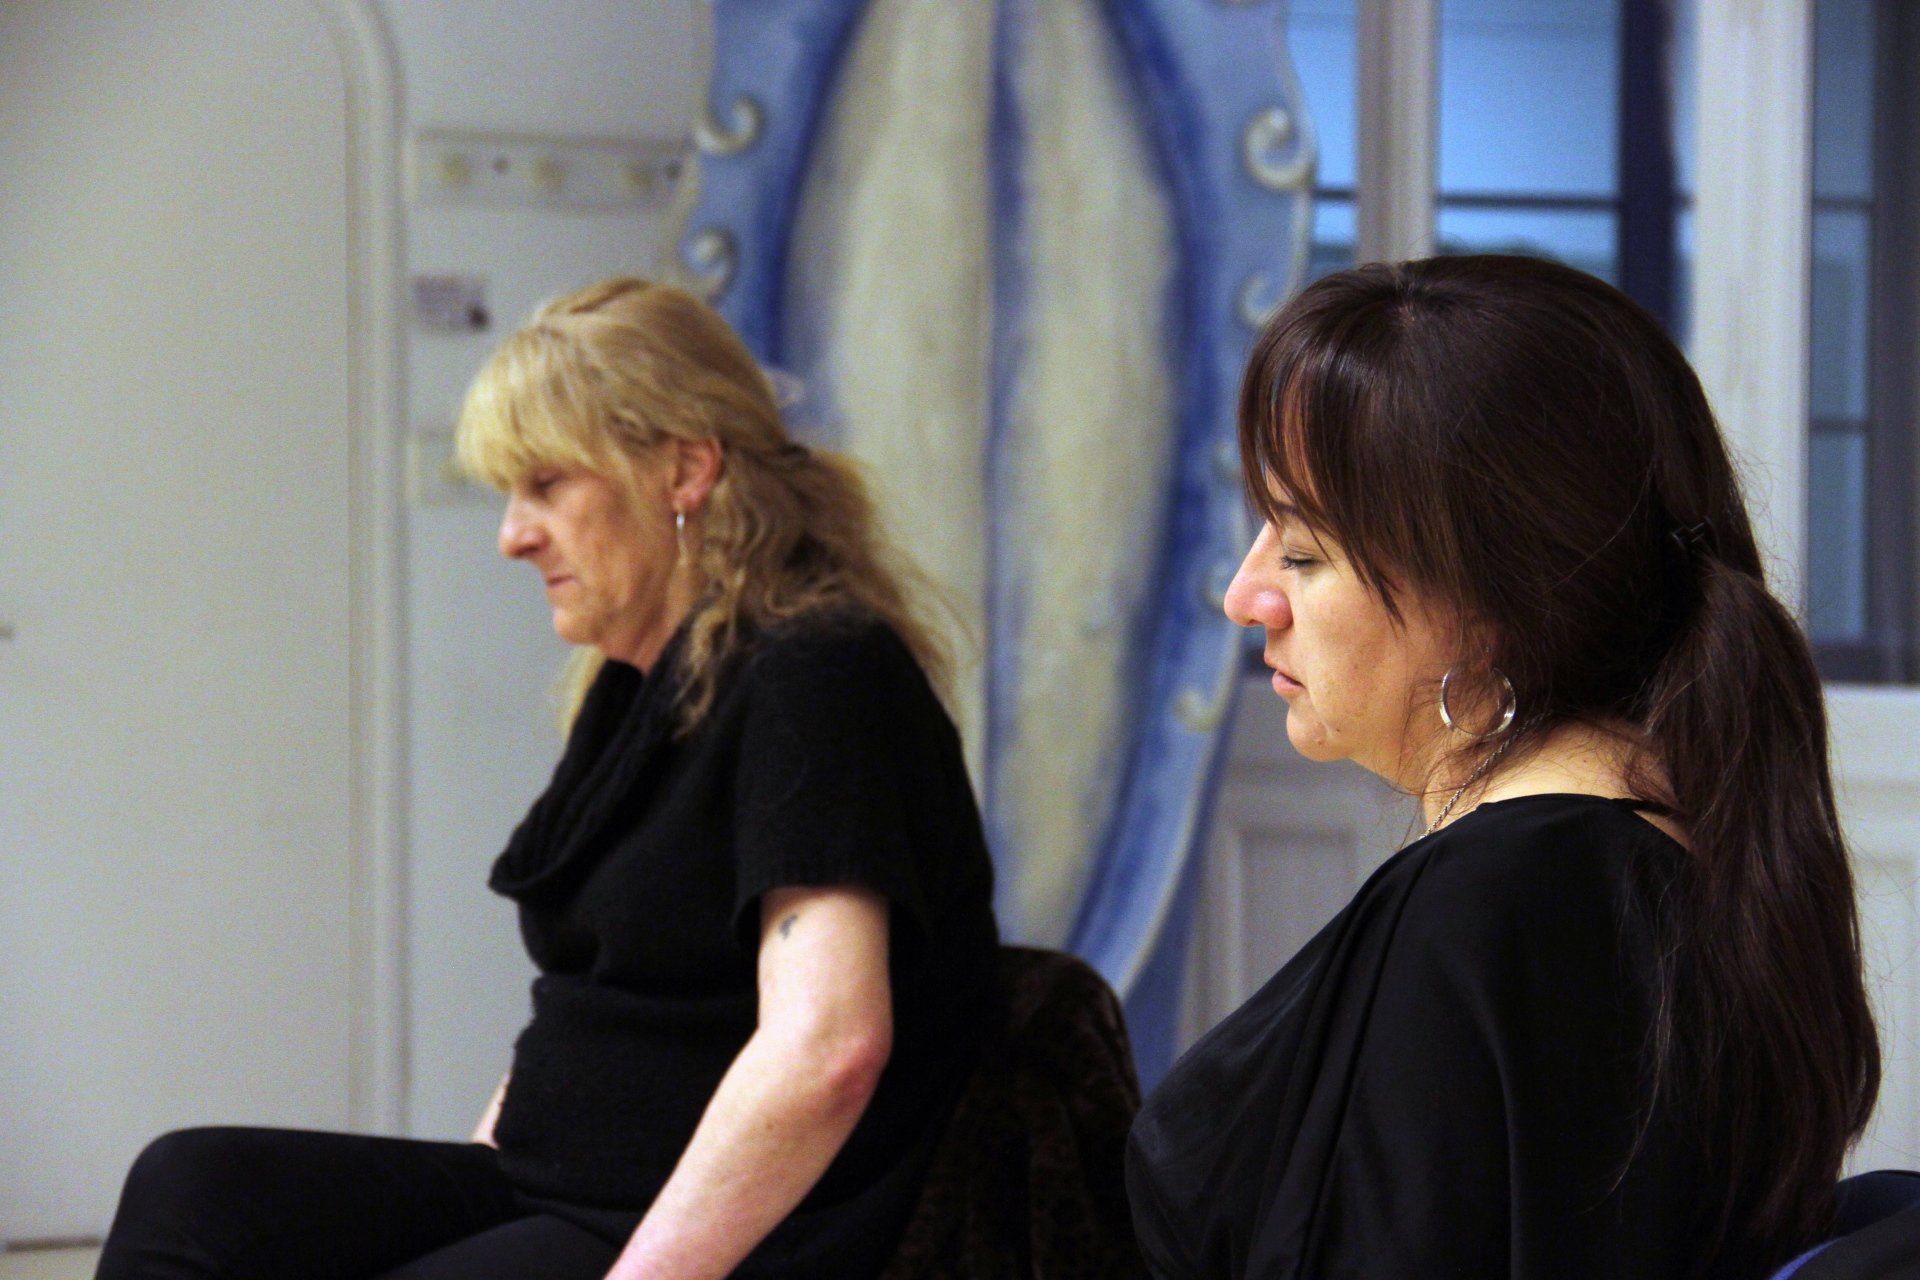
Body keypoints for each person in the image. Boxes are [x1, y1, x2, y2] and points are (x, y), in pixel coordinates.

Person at [96, 278, 1001, 1280]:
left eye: (546, 483)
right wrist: (466, 1189)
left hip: (715, 1233)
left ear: (684, 469)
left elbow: (828, 1048)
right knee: (191, 1189)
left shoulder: (818, 671)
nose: (512, 535)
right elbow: (589, 994)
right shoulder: (640, 683)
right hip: (554, 1183)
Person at [1125, 255, 1881, 1280]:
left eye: (1302, 552)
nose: (1245, 594)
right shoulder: (1666, 846)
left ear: (1487, 602)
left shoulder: (1494, 901)